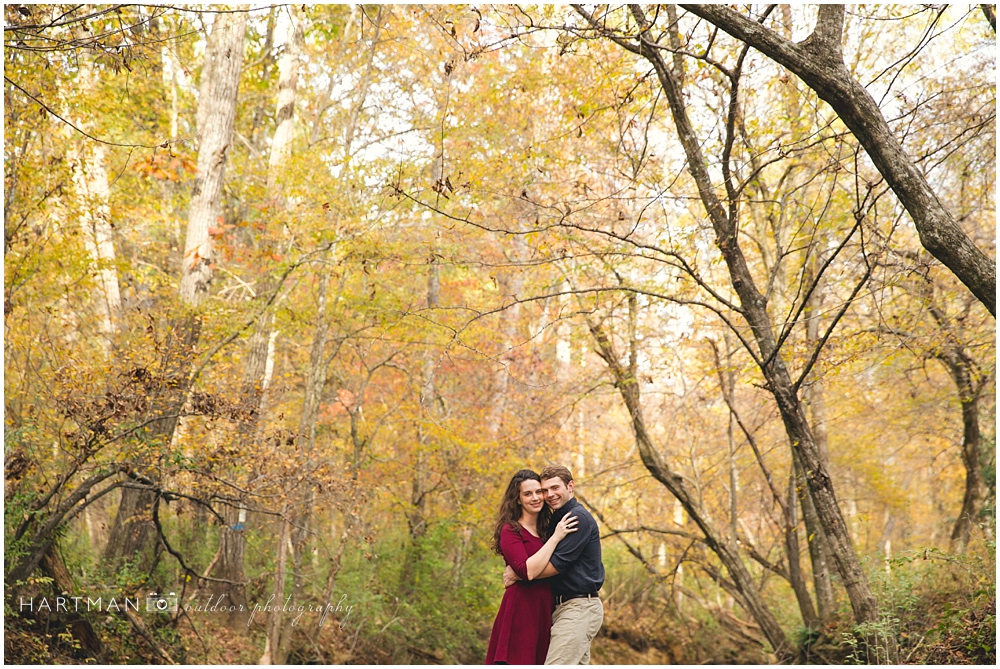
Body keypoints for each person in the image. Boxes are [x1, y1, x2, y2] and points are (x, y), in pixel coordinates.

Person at [502, 465, 604, 665]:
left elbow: (555, 566)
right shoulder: (554, 519)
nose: (549, 495)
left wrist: (519, 573)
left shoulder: (576, 518)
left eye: (555, 488)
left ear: (570, 486)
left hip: (579, 608)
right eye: (545, 490)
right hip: (562, 608)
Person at [485, 469, 579, 664]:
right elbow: (526, 570)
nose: (536, 498)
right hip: (521, 609)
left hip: (545, 610)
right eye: (528, 494)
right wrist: (556, 538)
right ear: (518, 499)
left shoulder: (547, 528)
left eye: (539, 492)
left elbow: (555, 567)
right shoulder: (510, 529)